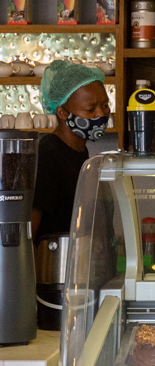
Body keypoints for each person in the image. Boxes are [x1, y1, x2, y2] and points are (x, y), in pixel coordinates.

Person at [31, 61, 111, 241]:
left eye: (105, 105)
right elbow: (28, 234)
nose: (101, 114)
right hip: (52, 263)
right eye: (90, 109)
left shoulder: (80, 152)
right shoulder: (47, 156)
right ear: (62, 112)